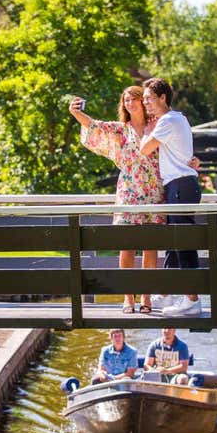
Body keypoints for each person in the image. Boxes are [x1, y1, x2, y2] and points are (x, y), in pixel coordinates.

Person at [69, 87, 164, 314]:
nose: (130, 103)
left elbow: (176, 146)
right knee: (127, 246)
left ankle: (146, 297)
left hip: (154, 192)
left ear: (143, 102)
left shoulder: (158, 125)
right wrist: (76, 113)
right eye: (126, 100)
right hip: (129, 193)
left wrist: (191, 161)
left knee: (151, 247)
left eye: (134, 99)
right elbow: (95, 126)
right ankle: (128, 297)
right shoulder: (121, 130)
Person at [140, 77, 203, 316]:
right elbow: (184, 154)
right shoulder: (179, 119)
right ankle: (166, 295)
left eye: (148, 99)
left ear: (162, 97)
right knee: (174, 245)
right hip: (181, 186)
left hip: (180, 186)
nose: (146, 104)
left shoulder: (166, 120)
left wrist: (148, 129)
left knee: (183, 244)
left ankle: (192, 301)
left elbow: (145, 148)